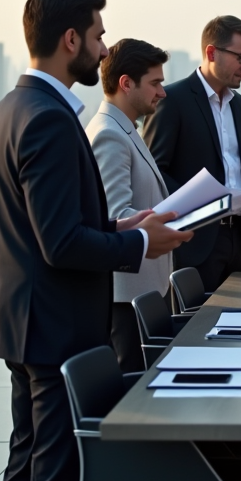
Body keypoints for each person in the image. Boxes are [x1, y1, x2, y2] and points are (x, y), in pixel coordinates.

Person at [0, 0, 190, 481]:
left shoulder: (6, 111)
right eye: (98, 37)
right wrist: (140, 245)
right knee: (51, 479)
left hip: (21, 323)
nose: (103, 51)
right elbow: (59, 244)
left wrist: (118, 228)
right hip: (54, 327)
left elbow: (42, 227)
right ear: (69, 38)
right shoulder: (49, 118)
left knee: (23, 465)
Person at [142, 15, 241, 291]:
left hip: (238, 237)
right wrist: (205, 201)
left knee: (237, 329)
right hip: (194, 241)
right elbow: (154, 171)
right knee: (194, 330)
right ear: (212, 53)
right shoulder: (172, 101)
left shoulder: (240, 105)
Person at [85, 38, 175, 371]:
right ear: (126, 83)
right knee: (133, 395)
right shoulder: (109, 135)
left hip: (143, 288)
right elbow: (114, 218)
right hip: (127, 297)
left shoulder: (125, 129)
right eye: (155, 83)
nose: (162, 92)